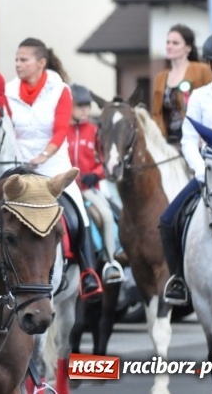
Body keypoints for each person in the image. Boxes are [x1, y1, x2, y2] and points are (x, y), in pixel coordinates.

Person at [5, 38, 102, 300]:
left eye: (23, 60)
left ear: (41, 63)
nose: (18, 64)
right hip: (18, 168)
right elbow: (7, 129)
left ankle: (88, 272)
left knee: (78, 212)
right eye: (16, 60)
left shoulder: (60, 90)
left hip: (53, 167)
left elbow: (60, 130)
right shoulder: (9, 90)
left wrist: (43, 155)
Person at [160, 31, 212, 305]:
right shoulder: (200, 97)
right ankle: (179, 279)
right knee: (167, 220)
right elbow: (189, 140)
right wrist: (202, 172)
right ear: (210, 64)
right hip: (209, 174)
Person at [67, 83, 124, 284]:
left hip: (88, 189)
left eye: (87, 105)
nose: (85, 110)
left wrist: (95, 175)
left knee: (107, 217)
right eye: (79, 105)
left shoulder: (95, 131)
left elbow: (105, 162)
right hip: (66, 189)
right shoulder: (62, 131)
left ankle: (110, 262)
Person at [151, 24, 212, 144]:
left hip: (196, 139)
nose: (169, 46)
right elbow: (156, 113)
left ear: (188, 48)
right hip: (167, 142)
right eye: (168, 42)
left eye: (175, 43)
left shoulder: (202, 70)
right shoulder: (160, 78)